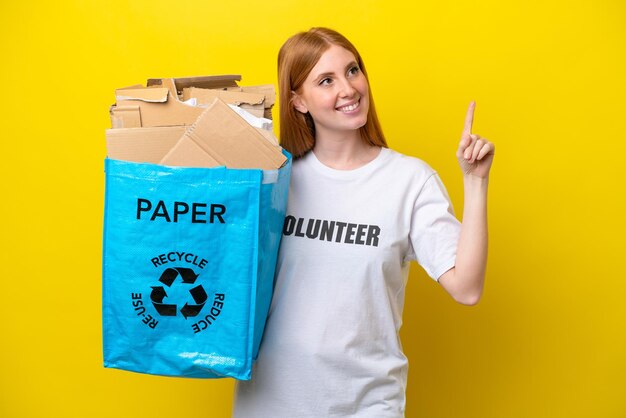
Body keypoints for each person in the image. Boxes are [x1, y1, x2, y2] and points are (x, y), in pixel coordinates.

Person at [233, 27, 495, 417]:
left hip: (368, 406)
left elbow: (467, 287)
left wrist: (475, 183)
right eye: (326, 80)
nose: (349, 89)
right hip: (271, 404)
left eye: (353, 70)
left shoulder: (409, 181)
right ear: (298, 101)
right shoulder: (274, 179)